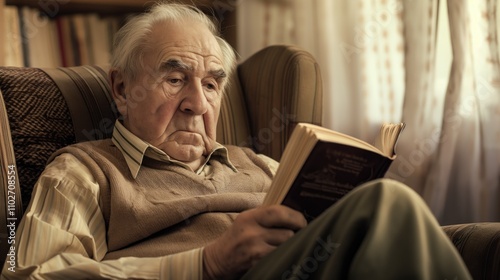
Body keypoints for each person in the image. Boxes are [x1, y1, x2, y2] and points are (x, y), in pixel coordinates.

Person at [1, 2, 471, 280]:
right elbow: (36, 277)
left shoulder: (265, 166)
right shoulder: (83, 173)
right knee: (386, 202)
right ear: (122, 89)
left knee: (379, 212)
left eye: (211, 84)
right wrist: (204, 264)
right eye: (175, 78)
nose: (196, 103)